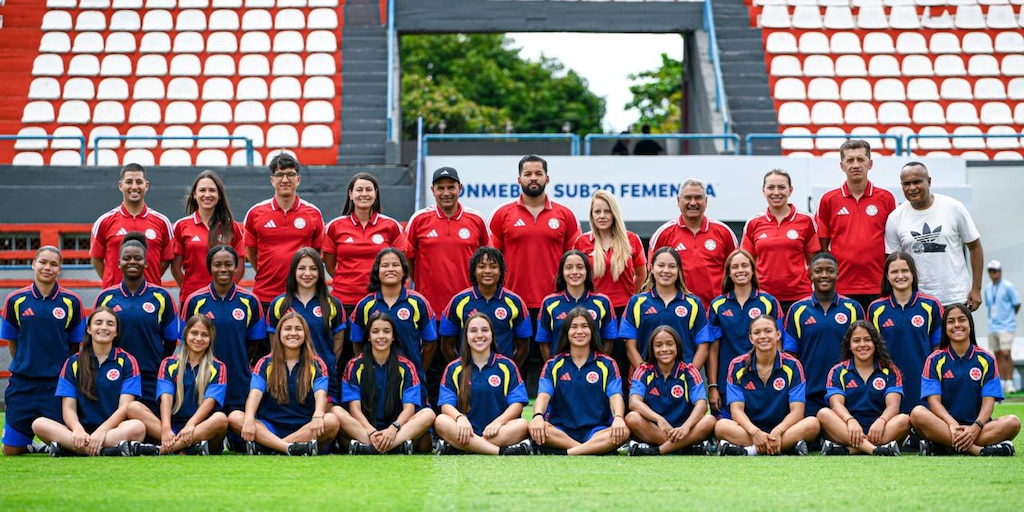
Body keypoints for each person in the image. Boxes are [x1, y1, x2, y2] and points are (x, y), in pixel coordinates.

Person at [31, 307, 155, 457]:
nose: (103, 327)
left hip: (112, 430)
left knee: (138, 427)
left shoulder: (127, 361)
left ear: (116, 332)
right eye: (98, 323)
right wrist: (77, 430)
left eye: (110, 324)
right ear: (89, 329)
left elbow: (124, 408)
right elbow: (68, 408)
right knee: (38, 424)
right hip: (80, 433)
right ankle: (108, 450)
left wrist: (102, 432)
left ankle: (71, 449)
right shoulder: (73, 362)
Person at [1, 246, 84, 456]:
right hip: (23, 383)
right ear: (33, 264)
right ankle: (33, 445)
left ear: (59, 269)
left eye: (54, 264)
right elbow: (13, 344)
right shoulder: (15, 300)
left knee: (64, 441)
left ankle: (47, 442)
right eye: (43, 262)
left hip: (55, 385)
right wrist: (27, 363)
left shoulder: (71, 302)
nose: (47, 267)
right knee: (10, 450)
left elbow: (74, 346)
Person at [910, 304, 1021, 456]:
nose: (957, 325)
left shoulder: (986, 359)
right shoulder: (934, 359)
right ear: (945, 327)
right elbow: (934, 401)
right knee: (917, 413)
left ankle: (943, 446)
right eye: (951, 321)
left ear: (970, 324)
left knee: (1013, 422)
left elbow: (989, 402)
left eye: (962, 320)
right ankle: (977, 450)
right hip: (946, 425)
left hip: (978, 427)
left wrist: (976, 427)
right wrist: (952, 423)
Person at [228, 312, 340, 455]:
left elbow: (321, 395)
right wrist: (249, 418)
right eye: (287, 329)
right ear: (279, 334)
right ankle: (289, 448)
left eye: (298, 329)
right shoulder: (265, 363)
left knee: (331, 420)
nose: (293, 333)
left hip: (305, 427)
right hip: (270, 427)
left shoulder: (317, 364)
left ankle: (273, 447)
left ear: (305, 334)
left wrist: (318, 416)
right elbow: (254, 394)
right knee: (235, 417)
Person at [489, 154, 581, 326]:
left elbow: (576, 262)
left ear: (547, 179)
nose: (533, 178)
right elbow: (492, 261)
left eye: (538, 174)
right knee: (515, 353)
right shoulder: (501, 214)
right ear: (519, 179)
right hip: (512, 302)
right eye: (528, 174)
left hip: (557, 303)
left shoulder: (566, 215)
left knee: (553, 354)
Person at [94, 233, 180, 411]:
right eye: (126, 258)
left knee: (149, 428)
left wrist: (156, 364)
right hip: (115, 374)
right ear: (119, 263)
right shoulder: (106, 297)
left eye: (138, 258)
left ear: (146, 263)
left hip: (149, 375)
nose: (132, 261)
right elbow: (95, 338)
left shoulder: (161, 297)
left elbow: (171, 341)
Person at [885, 161, 984, 310]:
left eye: (917, 182)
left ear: (929, 181)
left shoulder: (953, 208)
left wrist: (976, 289)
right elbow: (891, 261)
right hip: (916, 301)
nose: (912, 188)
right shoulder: (895, 217)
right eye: (906, 184)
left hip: (955, 298)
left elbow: (975, 247)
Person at [529, 307, 629, 455]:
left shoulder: (607, 363)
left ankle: (568, 452)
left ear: (593, 331)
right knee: (534, 427)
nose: (580, 332)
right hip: (560, 430)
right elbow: (543, 395)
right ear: (566, 332)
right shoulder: (553, 364)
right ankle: (589, 449)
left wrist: (619, 418)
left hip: (597, 430)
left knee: (624, 431)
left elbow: (615, 395)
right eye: (574, 327)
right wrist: (537, 416)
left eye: (585, 326)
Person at [715, 315, 820, 456]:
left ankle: (750, 451)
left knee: (813, 424)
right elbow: (736, 411)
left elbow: (797, 411)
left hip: (783, 429)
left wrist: (778, 431)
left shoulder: (793, 365)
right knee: (721, 426)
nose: (763, 336)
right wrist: (755, 432)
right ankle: (785, 448)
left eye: (768, 331)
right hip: (749, 430)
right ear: (751, 338)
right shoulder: (737, 365)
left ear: (778, 335)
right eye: (757, 332)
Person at [126, 314, 229, 455]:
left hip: (200, 429)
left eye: (204, 335)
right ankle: (186, 447)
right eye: (194, 333)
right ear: (185, 335)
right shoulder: (169, 363)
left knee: (221, 419)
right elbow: (166, 398)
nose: (198, 338)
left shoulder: (218, 367)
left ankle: (165, 449)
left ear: (210, 339)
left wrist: (190, 425)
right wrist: (166, 429)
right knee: (133, 407)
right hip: (172, 429)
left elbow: (209, 402)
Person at [181, 245, 267, 413]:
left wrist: (240, 361)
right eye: (217, 264)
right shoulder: (195, 300)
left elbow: (255, 342)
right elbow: (186, 341)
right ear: (210, 267)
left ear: (236, 267)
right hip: (203, 381)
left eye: (228, 264)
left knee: (239, 433)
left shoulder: (250, 301)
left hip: (238, 380)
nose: (223, 269)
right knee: (207, 433)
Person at [336, 312, 436, 454]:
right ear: (369, 337)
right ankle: (391, 446)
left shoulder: (406, 366)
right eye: (375, 332)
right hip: (366, 429)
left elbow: (409, 409)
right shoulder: (354, 365)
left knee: (428, 414)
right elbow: (354, 409)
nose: (381, 336)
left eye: (386, 331)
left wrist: (393, 429)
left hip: (396, 428)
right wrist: (370, 431)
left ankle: (377, 447)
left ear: (393, 336)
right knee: (335, 412)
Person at [572, 191, 645, 384]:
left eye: (607, 211)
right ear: (591, 215)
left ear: (614, 214)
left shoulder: (632, 240)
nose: (602, 216)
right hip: (592, 312)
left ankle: (625, 408)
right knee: (595, 362)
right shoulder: (582, 242)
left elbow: (641, 273)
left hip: (624, 312)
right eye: (597, 212)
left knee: (622, 363)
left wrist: (632, 297)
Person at [815, 140, 897, 311]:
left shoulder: (886, 198)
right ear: (841, 166)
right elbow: (822, 246)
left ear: (870, 163)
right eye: (850, 160)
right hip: (842, 287)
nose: (856, 165)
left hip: (879, 286)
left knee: (877, 337)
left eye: (861, 159)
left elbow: (893, 244)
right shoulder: (828, 200)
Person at [434, 314, 532, 455]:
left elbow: (517, 404)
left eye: (485, 330)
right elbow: (446, 405)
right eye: (473, 330)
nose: (479, 335)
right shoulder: (453, 368)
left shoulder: (507, 365)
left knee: (522, 425)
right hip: (464, 431)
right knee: (441, 421)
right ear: (466, 336)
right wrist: (460, 418)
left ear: (492, 335)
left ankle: (460, 447)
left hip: (497, 432)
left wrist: (498, 422)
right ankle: (499, 451)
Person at [406, 166, 489, 330]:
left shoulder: (476, 219)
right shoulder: (419, 219)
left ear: (460, 188)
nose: (446, 193)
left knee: (464, 355)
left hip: (468, 306)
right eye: (440, 188)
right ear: (432, 190)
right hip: (428, 306)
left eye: (451, 187)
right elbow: (408, 259)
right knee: (430, 354)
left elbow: (489, 261)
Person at [784, 252, 865, 416]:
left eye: (830, 270)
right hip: (809, 393)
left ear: (838, 274)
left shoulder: (853, 308)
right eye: (818, 271)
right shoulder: (797, 310)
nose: (824, 275)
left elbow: (864, 352)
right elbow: (790, 356)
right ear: (810, 274)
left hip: (846, 391)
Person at [707, 249, 786, 416]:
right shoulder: (717, 305)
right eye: (735, 267)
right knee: (728, 427)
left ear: (752, 270)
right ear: (728, 272)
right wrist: (713, 385)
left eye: (745, 265)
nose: (740, 270)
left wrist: (779, 376)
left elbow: (778, 344)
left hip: (764, 378)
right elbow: (713, 349)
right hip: (728, 379)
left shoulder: (769, 302)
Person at [243, 153, 325, 311]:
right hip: (265, 295)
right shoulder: (255, 213)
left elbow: (317, 253)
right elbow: (251, 253)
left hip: (302, 296)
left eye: (290, 175)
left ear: (298, 179)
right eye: (280, 175)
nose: (285, 180)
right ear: (272, 180)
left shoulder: (313, 213)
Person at [266, 248, 347, 402]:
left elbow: (338, 343)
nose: (307, 273)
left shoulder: (333, 304)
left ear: (320, 272)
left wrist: (324, 363)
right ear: (293, 271)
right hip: (288, 376)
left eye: (313, 268)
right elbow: (274, 342)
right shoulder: (279, 304)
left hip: (324, 375)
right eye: (302, 268)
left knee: (328, 420)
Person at [817, 321, 909, 456]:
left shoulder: (890, 371)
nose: (862, 345)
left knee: (904, 419)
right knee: (823, 414)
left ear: (875, 343)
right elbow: (836, 405)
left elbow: (893, 407)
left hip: (879, 429)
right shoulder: (837, 371)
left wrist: (881, 421)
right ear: (849, 345)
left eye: (867, 340)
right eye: (856, 340)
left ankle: (850, 450)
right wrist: (851, 421)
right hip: (847, 428)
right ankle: (875, 450)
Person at [868, 252, 943, 415]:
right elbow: (872, 350)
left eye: (905, 271)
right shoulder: (876, 308)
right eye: (894, 272)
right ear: (887, 276)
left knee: (922, 419)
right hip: (890, 381)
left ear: (913, 274)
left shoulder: (931, 305)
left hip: (922, 379)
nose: (900, 276)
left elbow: (939, 348)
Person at [624, 326, 716, 456]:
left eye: (669, 344)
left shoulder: (689, 370)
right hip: (657, 429)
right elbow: (634, 402)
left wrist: (686, 427)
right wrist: (659, 419)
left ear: (677, 346)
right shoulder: (643, 370)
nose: (664, 349)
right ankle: (685, 447)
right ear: (652, 348)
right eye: (658, 345)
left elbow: (701, 404)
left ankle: (658, 450)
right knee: (632, 418)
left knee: (709, 420)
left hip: (683, 430)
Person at [349, 249, 437, 384]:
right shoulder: (365, 305)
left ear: (404, 270)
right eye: (385, 265)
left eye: (395, 265)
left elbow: (430, 343)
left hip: (411, 382)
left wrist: (417, 370)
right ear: (377, 272)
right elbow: (357, 343)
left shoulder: (418, 303)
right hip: (374, 381)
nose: (390, 269)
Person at [324, 172, 408, 310]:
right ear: (350, 194)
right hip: (344, 301)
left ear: (375, 194)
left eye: (368, 190)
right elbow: (330, 267)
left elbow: (401, 266)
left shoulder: (392, 226)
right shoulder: (334, 226)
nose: (364, 194)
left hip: (380, 300)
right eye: (359, 190)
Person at [741, 169, 821, 313]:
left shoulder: (806, 220)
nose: (776, 192)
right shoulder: (754, 222)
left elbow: (814, 263)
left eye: (782, 187)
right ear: (763, 191)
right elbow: (747, 262)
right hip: (763, 297)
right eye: (771, 187)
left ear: (790, 190)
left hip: (800, 297)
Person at [619, 247, 711, 372]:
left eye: (672, 266)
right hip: (647, 382)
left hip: (683, 381)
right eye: (661, 265)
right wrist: (645, 375)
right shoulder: (637, 303)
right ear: (651, 268)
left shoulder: (694, 304)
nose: (666, 271)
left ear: (679, 270)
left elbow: (703, 346)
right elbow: (630, 346)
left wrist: (690, 376)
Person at [649, 180, 737, 307]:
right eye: (688, 198)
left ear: (706, 201)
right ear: (678, 201)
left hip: (717, 310)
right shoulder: (663, 233)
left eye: (698, 198)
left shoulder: (724, 232)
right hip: (677, 309)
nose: (693, 203)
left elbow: (735, 270)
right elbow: (652, 273)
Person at [440, 247, 531, 366]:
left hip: (502, 376)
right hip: (468, 374)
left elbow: (523, 347)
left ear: (501, 271)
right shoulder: (458, 301)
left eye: (493, 266)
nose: (487, 271)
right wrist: (461, 369)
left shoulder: (515, 302)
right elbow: (446, 346)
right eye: (482, 266)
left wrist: (510, 368)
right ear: (474, 271)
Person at [90, 163, 174, 289]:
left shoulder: (162, 222)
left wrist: (149, 279)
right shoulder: (104, 221)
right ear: (120, 185)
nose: (134, 187)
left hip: (150, 296)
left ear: (146, 186)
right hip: (114, 297)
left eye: (139, 182)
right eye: (129, 182)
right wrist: (113, 282)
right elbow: (96, 259)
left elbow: (165, 260)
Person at [171, 170, 245, 306]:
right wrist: (190, 292)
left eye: (212, 190)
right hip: (192, 299)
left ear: (219, 195)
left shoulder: (231, 227)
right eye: (202, 190)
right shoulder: (182, 226)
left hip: (224, 299)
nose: (207, 195)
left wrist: (226, 290)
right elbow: (175, 268)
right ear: (194, 194)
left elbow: (240, 267)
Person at [536, 250, 617, 359]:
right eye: (569, 267)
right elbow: (544, 343)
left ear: (587, 271)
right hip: (560, 372)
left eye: (580, 267)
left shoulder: (602, 302)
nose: (574, 272)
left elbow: (609, 341)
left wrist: (599, 366)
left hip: (593, 372)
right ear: (562, 272)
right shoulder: (549, 303)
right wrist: (552, 368)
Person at [983, 259, 1020, 394]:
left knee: (1006, 353)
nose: (993, 274)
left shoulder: (1008, 286)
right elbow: (989, 306)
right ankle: (1001, 382)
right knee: (997, 354)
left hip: (1006, 325)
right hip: (993, 325)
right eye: (991, 271)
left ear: (1000, 272)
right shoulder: (988, 288)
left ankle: (1009, 382)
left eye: (995, 271)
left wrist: (1009, 318)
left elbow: (1017, 304)